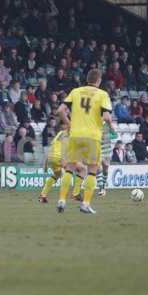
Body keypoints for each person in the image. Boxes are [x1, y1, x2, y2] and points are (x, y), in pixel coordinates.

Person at [57, 69, 113, 214]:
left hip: (75, 135)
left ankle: (62, 200)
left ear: (87, 79)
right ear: (99, 80)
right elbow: (107, 117)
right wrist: (107, 125)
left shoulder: (75, 91)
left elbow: (60, 110)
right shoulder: (102, 94)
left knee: (69, 168)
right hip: (93, 137)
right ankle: (85, 204)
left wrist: (69, 124)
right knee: (92, 171)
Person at [97, 123, 118, 197]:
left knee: (105, 170)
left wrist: (107, 136)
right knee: (98, 169)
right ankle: (101, 188)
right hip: (98, 150)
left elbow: (115, 135)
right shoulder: (95, 122)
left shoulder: (108, 124)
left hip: (107, 151)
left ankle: (103, 186)